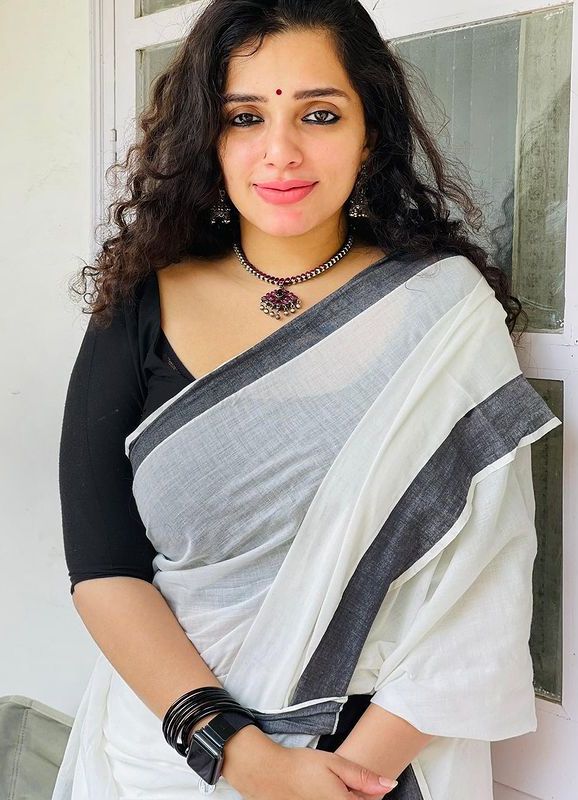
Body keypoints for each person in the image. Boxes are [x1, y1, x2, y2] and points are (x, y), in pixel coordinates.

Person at [52, 1, 561, 799]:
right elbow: (104, 568)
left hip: (378, 769)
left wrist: (349, 778)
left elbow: (483, 583)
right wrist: (245, 759)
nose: (281, 151)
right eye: (244, 117)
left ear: (371, 132)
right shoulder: (139, 306)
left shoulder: (444, 313)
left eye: (319, 114)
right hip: (166, 757)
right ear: (207, 138)